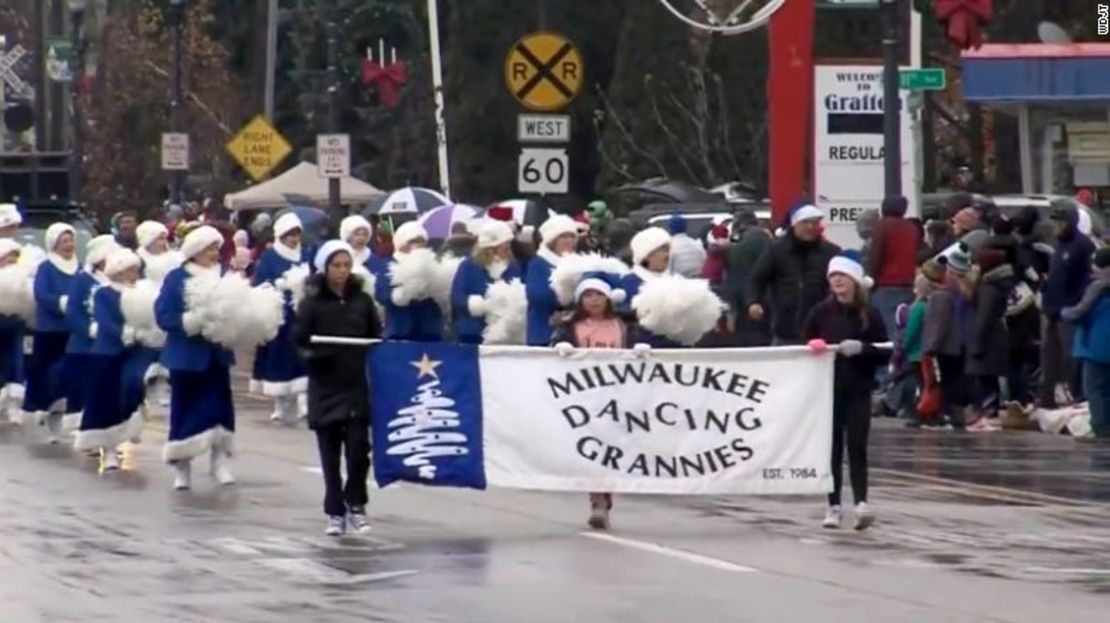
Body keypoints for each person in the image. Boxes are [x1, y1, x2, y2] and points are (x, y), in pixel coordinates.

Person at [294, 241, 382, 535]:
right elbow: (299, 341)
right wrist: (317, 356)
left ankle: (356, 503)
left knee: (359, 450)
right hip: (326, 384)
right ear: (325, 268)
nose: (342, 271)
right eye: (337, 265)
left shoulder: (363, 301)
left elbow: (376, 338)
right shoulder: (312, 304)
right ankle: (334, 511)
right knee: (330, 454)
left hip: (356, 383)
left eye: (346, 265)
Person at [551, 271, 646, 530]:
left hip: (617, 395)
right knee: (594, 449)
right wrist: (561, 349)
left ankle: (605, 497)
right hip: (584, 397)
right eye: (588, 295)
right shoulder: (570, 326)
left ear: (608, 298)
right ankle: (598, 502)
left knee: (611, 449)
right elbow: (553, 351)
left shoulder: (624, 325)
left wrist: (640, 353)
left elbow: (637, 349)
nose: (594, 300)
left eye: (599, 295)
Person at [802, 251, 887, 531]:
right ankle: (833, 505)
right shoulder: (820, 312)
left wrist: (863, 349)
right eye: (833, 276)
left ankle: (861, 502)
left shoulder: (870, 315)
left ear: (854, 280)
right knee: (833, 449)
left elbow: (885, 352)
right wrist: (814, 347)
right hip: (829, 390)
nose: (837, 280)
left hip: (859, 389)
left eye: (842, 276)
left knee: (857, 447)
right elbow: (805, 342)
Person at [155, 225, 237, 490]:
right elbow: (164, 316)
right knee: (184, 411)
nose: (214, 253)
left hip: (217, 356)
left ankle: (218, 461)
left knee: (220, 410)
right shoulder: (177, 278)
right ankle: (182, 466)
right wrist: (189, 321)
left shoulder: (224, 275)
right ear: (195, 252)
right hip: (186, 357)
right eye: (208, 248)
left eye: (216, 248)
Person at [74, 249, 148, 471]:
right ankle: (109, 451)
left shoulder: (141, 292)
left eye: (137, 269)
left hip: (134, 353)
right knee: (106, 402)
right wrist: (126, 333)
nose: (135, 274)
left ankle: (129, 429)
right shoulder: (103, 293)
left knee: (132, 392)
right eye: (130, 270)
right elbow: (106, 322)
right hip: (107, 353)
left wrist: (146, 334)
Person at [749, 204, 840, 345]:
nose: (811, 227)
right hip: (785, 327)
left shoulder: (830, 252)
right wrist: (753, 301)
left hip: (821, 328)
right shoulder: (776, 250)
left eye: (815, 223)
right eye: (805, 222)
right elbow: (757, 278)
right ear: (794, 224)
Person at [23, 223, 80, 441]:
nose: (69, 245)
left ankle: (63, 412)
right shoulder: (46, 267)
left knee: (68, 374)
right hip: (49, 329)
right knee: (46, 373)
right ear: (54, 244)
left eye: (70, 240)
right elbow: (41, 294)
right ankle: (45, 412)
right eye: (64, 241)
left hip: (72, 329)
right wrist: (61, 303)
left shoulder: (79, 267)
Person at [252, 213, 309, 424]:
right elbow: (260, 284)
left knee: (303, 359)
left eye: (296, 234)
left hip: (301, 316)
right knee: (279, 359)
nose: (294, 239)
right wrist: (280, 286)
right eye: (289, 235)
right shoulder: (270, 257)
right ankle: (280, 401)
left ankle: (304, 400)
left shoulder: (306, 255)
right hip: (279, 318)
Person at [63, 234, 120, 438]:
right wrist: (90, 330)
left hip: (109, 346)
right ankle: (81, 425)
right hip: (82, 346)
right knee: (81, 386)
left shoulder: (117, 281)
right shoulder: (82, 280)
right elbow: (73, 312)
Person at [1040, 204, 1096, 408]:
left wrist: (1077, 304)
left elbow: (1088, 279)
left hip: (1069, 311)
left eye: (1061, 222)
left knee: (1071, 356)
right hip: (1052, 310)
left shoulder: (1082, 245)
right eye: (1054, 221)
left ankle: (1077, 395)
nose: (1057, 226)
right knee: (1049, 357)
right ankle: (1046, 399)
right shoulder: (1058, 245)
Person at [923, 244, 976, 429]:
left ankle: (947, 414)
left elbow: (939, 325)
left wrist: (930, 346)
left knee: (944, 383)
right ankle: (958, 414)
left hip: (947, 346)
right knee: (958, 381)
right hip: (964, 345)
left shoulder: (942, 296)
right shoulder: (969, 293)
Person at [1062, 248, 1110, 442]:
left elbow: (1078, 313)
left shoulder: (1098, 288)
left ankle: (1100, 429)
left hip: (1097, 346)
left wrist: (1063, 312)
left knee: (1095, 389)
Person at [965, 248, 1013, 432]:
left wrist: (976, 342)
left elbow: (982, 317)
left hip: (987, 339)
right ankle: (989, 412)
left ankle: (987, 414)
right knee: (988, 377)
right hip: (995, 336)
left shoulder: (988, 287)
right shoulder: (997, 284)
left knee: (984, 377)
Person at [450, 221, 520, 344]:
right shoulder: (469, 266)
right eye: (505, 243)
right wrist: (481, 305)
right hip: (472, 333)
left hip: (505, 334)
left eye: (509, 243)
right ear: (491, 247)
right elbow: (457, 297)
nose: (509, 247)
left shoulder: (513, 266)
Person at [374, 222, 445, 342]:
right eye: (412, 241)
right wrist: (402, 294)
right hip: (400, 328)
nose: (416, 246)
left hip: (430, 328)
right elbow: (381, 293)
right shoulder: (389, 264)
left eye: (420, 242)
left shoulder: (433, 262)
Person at [868, 196, 921, 341]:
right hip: (908, 284)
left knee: (887, 330)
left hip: (886, 284)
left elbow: (876, 256)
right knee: (904, 328)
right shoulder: (911, 228)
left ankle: (892, 361)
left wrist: (871, 279)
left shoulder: (882, 226)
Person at [525, 215, 578, 346]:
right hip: (544, 332)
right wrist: (565, 297)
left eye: (572, 236)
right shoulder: (538, 264)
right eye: (564, 237)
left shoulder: (579, 263)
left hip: (573, 334)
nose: (569, 240)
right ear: (552, 240)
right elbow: (537, 296)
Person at [726, 209, 772, 346]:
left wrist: (732, 309)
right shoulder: (770, 240)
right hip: (771, 302)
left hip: (747, 304)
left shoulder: (740, 247)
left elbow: (736, 280)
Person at [0, 239, 29, 420]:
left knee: (15, 365)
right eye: (8, 258)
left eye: (14, 259)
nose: (11, 262)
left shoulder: (21, 278)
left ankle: (13, 406)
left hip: (14, 326)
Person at [136, 220, 183, 284]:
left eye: (165, 238)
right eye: (160, 238)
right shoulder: (138, 260)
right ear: (147, 240)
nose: (164, 241)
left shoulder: (177, 255)